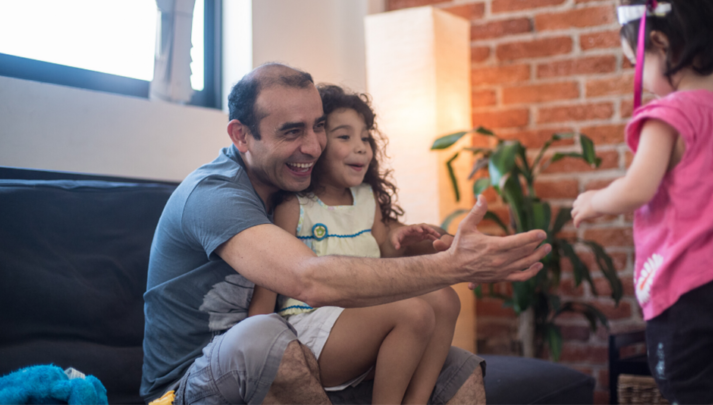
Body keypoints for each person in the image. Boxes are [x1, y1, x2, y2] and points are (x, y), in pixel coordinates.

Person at [141, 62, 552, 405]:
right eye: (291, 132)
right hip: (192, 383)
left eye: (318, 126)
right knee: (261, 335)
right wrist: (453, 265)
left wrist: (435, 246)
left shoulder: (296, 185)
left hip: (300, 353)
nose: (313, 146)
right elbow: (311, 277)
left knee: (457, 371)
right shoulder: (213, 194)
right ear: (241, 135)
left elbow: (361, 244)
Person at [571, 0, 713, 405]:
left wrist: (595, 201)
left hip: (694, 288)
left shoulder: (670, 114)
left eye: (635, 65)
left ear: (659, 44)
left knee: (684, 385)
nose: (638, 81)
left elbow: (638, 188)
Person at [248, 84, 459, 405]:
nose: (361, 147)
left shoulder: (366, 199)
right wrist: (253, 353)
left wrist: (403, 239)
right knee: (414, 313)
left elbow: (383, 250)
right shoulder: (295, 206)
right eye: (345, 137)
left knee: (446, 299)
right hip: (314, 327)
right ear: (317, 145)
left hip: (367, 315)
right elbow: (267, 284)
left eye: (365, 137)